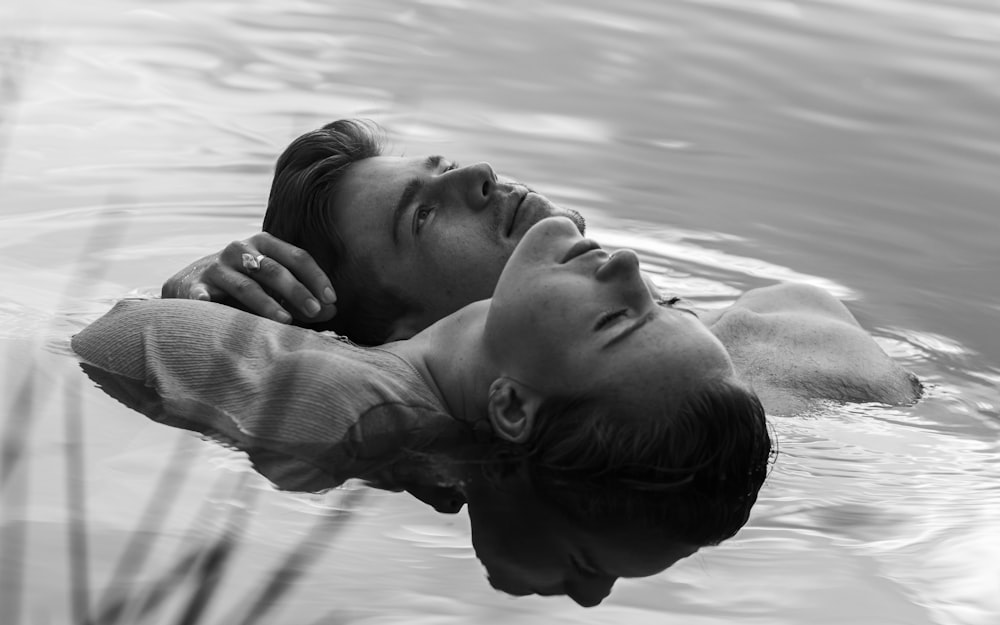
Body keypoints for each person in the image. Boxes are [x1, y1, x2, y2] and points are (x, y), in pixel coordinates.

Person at [74, 215, 774, 607]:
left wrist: (183, 299)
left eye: (615, 322)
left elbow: (123, 336)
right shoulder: (403, 412)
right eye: (667, 303)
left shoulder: (343, 408)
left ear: (509, 404)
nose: (627, 264)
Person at [162, 119, 922, 416]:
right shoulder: (502, 433)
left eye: (452, 164)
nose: (484, 176)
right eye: (424, 215)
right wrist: (202, 300)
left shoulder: (793, 309)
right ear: (410, 331)